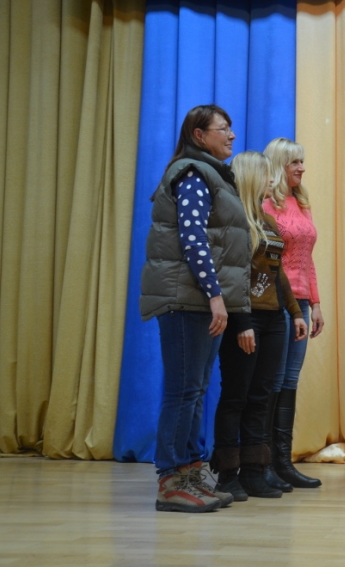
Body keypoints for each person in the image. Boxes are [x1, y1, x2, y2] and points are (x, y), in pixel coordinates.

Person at [140, 105, 250, 513]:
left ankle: (189, 473)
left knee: (196, 390)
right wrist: (215, 294)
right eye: (224, 128)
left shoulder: (212, 175)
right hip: (186, 299)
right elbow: (192, 239)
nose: (232, 135)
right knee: (184, 390)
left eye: (232, 128)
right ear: (199, 135)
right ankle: (170, 481)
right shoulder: (191, 173)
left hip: (197, 298)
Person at [211, 151, 308, 501]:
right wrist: (242, 322)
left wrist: (295, 312)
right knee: (236, 396)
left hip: (273, 320)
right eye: (267, 175)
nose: (273, 180)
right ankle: (227, 473)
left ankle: (254, 471)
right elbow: (229, 277)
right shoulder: (231, 218)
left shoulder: (266, 222)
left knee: (261, 397)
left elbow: (277, 271)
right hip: (246, 319)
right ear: (252, 177)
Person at [261, 138, 324, 490]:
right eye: (294, 162)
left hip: (300, 303)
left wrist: (315, 304)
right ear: (278, 166)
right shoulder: (267, 205)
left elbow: (307, 260)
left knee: (289, 381)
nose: (301, 168)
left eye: (302, 161)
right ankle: (263, 461)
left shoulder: (302, 203)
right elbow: (270, 262)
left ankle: (283, 462)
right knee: (273, 379)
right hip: (276, 302)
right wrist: (294, 306)